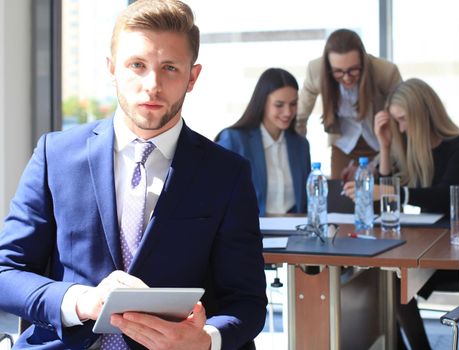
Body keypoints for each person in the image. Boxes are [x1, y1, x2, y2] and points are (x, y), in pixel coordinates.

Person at [0, 1, 266, 349]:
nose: (152, 84)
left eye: (170, 68)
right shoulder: (56, 155)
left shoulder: (227, 173)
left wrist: (204, 340)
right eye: (137, 65)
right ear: (112, 69)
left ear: (192, 77)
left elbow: (247, 301)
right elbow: (6, 273)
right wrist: (83, 302)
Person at [345, 78, 459, 349]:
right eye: (396, 122)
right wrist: (385, 147)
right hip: (428, 250)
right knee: (385, 278)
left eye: (404, 119)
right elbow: (388, 202)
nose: (402, 128)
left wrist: (389, 193)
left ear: (423, 114)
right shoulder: (409, 148)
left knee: (392, 282)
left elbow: (445, 197)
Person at [296, 28, 402, 179]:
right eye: (338, 72)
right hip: (343, 145)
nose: (346, 78)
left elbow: (402, 121)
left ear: (363, 62)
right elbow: (299, 118)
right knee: (341, 197)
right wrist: (296, 154)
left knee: (379, 195)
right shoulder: (316, 71)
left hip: (382, 143)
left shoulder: (385, 72)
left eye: (353, 70)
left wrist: (374, 166)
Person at [216, 68, 311, 217]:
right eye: (279, 105)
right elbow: (215, 195)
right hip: (248, 235)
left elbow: (306, 202)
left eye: (293, 104)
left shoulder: (300, 145)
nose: (287, 112)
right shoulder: (234, 141)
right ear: (262, 103)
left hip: (294, 234)